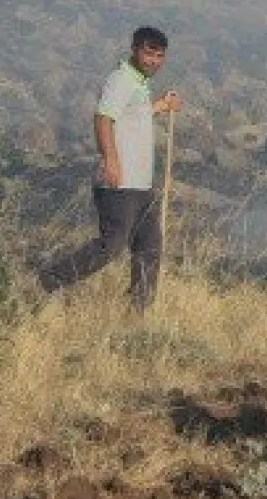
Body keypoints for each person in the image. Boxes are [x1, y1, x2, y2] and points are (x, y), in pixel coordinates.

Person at [39, 26, 182, 309]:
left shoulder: (139, 83)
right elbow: (104, 118)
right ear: (134, 49)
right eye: (148, 53)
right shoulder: (121, 79)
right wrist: (111, 161)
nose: (153, 60)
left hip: (142, 186)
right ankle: (48, 280)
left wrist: (161, 106)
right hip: (119, 184)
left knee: (150, 248)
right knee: (112, 245)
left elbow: (134, 114)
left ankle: (139, 314)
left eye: (159, 56)